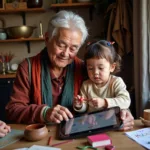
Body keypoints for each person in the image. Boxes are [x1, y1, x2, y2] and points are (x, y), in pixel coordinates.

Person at [5, 10, 134, 130]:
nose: (65, 53)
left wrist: (124, 113)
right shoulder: (28, 68)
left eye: (73, 48)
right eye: (61, 45)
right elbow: (12, 110)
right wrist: (44, 112)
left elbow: (109, 98)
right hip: (41, 135)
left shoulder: (85, 69)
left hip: (76, 133)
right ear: (47, 39)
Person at [73, 40, 131, 113]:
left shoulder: (116, 82)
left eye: (101, 68)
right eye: (90, 68)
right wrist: (80, 105)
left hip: (113, 121)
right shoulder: (86, 85)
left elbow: (125, 101)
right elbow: (85, 107)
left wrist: (104, 102)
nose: (95, 73)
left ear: (112, 67)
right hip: (92, 122)